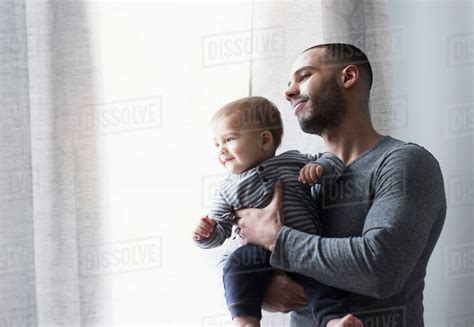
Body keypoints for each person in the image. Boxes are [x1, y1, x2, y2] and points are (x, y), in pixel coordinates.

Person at [234, 43, 447, 326]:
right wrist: (261, 289)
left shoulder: (406, 163)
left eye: (304, 76)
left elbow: (380, 270)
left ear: (348, 77)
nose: (288, 92)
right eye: (288, 83)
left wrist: (276, 238)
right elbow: (262, 253)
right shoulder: (299, 177)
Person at [192, 96, 363, 327]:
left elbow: (333, 160)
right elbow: (219, 230)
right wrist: (206, 232)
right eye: (216, 144)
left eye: (229, 139)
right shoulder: (226, 188)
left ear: (264, 140)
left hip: (302, 248)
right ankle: (245, 320)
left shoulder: (293, 162)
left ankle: (333, 320)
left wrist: (320, 168)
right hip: (257, 256)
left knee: (324, 276)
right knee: (237, 263)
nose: (221, 150)